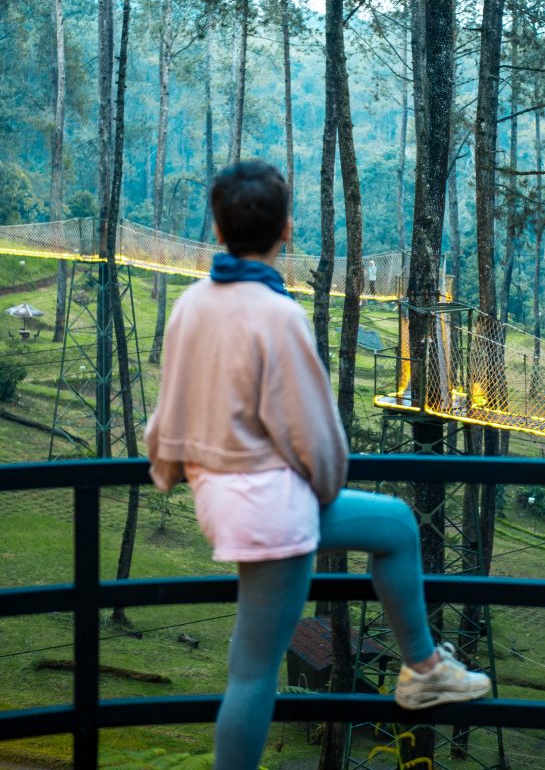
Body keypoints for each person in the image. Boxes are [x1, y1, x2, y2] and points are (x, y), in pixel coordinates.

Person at [145, 160, 490, 770]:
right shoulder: (279, 315)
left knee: (392, 526)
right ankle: (423, 669)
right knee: (252, 674)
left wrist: (171, 470)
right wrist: (322, 490)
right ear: (288, 231)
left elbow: (166, 422)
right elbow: (321, 441)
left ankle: (424, 668)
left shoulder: (192, 305)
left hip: (224, 502)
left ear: (219, 232)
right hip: (274, 511)